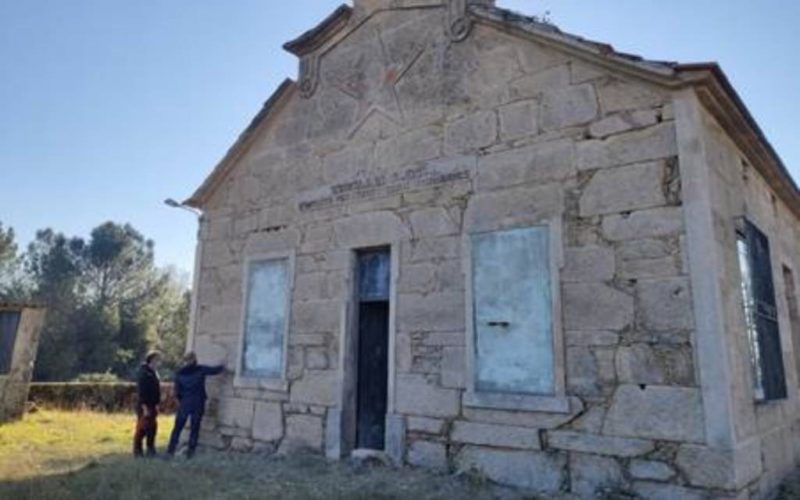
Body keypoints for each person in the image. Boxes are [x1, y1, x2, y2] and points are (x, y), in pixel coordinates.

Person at [167, 351, 225, 458]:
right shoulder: (200, 369)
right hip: (198, 402)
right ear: (194, 359)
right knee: (195, 428)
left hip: (185, 402)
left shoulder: (180, 373)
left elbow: (177, 391)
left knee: (178, 427)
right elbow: (215, 370)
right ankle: (190, 451)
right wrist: (224, 364)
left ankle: (171, 450)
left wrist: (181, 401)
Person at [133, 350, 161, 457]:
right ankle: (137, 451)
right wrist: (144, 407)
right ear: (152, 360)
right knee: (142, 428)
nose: (159, 363)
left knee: (152, 428)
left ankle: (151, 449)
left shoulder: (154, 373)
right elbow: (142, 391)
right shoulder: (144, 373)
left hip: (153, 405)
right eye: (157, 360)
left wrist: (157, 404)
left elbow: (156, 390)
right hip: (145, 405)